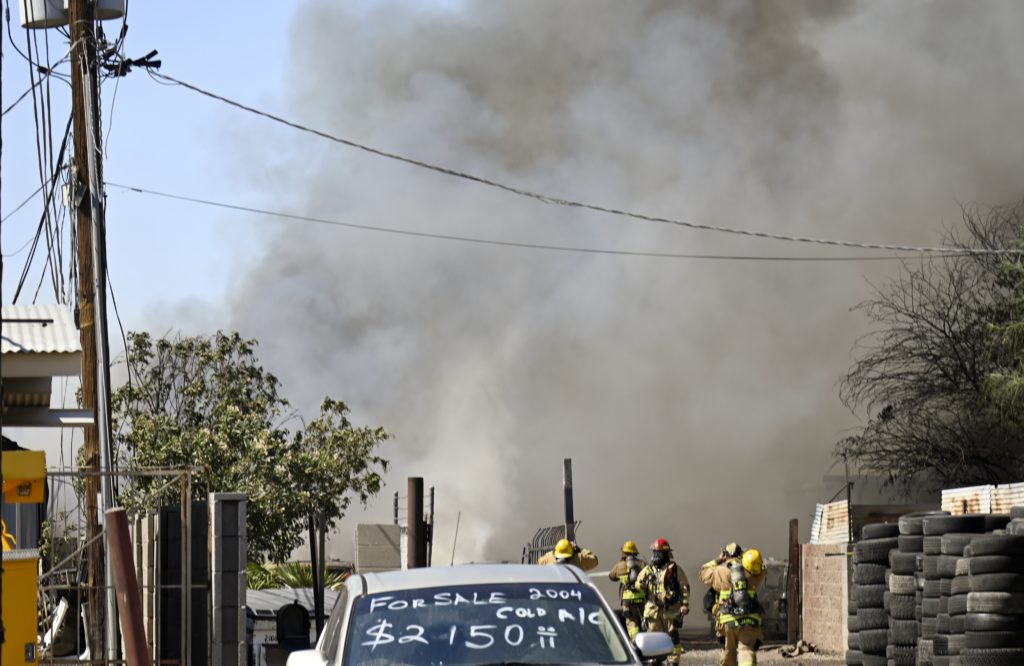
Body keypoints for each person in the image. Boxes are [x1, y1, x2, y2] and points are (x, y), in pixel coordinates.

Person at [699, 547, 765, 666]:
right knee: (746, 649)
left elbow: (703, 572)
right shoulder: (755, 575)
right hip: (750, 620)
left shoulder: (720, 572)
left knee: (729, 652)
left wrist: (719, 559)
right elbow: (764, 570)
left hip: (727, 620)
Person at [635, 538, 689, 664]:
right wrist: (640, 585)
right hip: (652, 610)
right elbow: (638, 582)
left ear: (665, 554)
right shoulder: (648, 569)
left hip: (670, 610)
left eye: (658, 553)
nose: (655, 555)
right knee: (653, 640)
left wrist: (685, 605)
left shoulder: (674, 569)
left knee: (672, 637)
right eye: (654, 552)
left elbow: (684, 588)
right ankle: (656, 662)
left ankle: (673, 662)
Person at [608, 540, 646, 639]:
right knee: (645, 620)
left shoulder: (619, 566)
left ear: (624, 552)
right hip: (642, 599)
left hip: (628, 600)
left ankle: (635, 640)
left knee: (632, 623)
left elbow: (612, 576)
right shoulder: (642, 564)